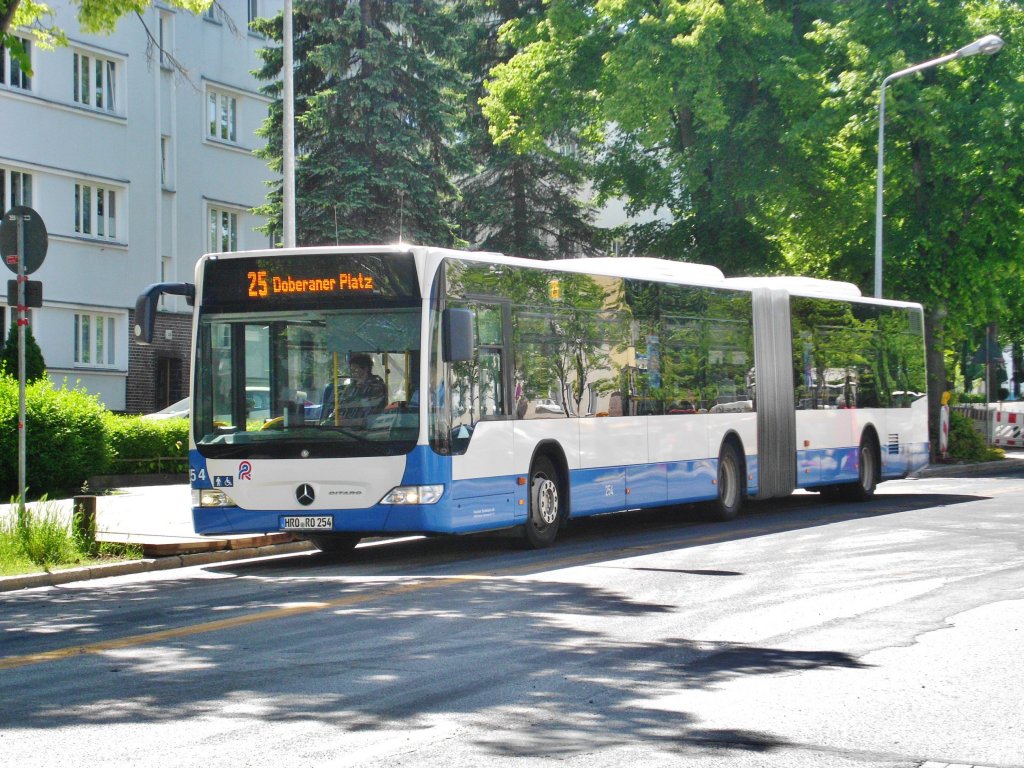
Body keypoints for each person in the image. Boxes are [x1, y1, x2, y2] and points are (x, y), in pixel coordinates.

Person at [321, 353, 386, 426]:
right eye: (351, 371)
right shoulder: (350, 387)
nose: (353, 373)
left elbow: (371, 415)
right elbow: (339, 407)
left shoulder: (376, 387)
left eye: (356, 370)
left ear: (366, 369)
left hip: (363, 428)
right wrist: (334, 417)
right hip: (343, 426)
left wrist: (348, 421)